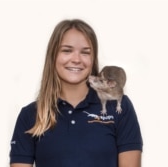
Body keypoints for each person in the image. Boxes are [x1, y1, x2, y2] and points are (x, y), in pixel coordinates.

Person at [9, 19, 143, 167]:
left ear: (93, 59)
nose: (77, 59)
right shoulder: (30, 115)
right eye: (67, 50)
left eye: (85, 53)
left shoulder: (119, 106)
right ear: (53, 56)